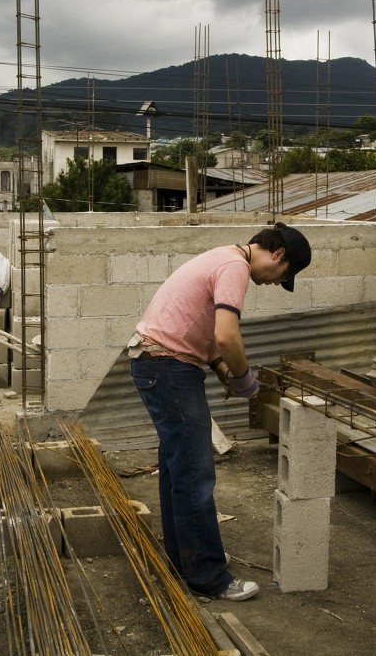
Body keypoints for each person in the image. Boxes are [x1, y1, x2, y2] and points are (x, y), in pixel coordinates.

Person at [128, 222, 311, 602]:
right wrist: (244, 380)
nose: (277, 282)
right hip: (168, 366)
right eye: (283, 275)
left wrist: (221, 368)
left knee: (180, 468)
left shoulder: (222, 256)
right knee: (195, 470)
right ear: (278, 255)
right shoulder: (235, 268)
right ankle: (208, 576)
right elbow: (227, 335)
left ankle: (185, 560)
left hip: (156, 362)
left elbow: (205, 333)